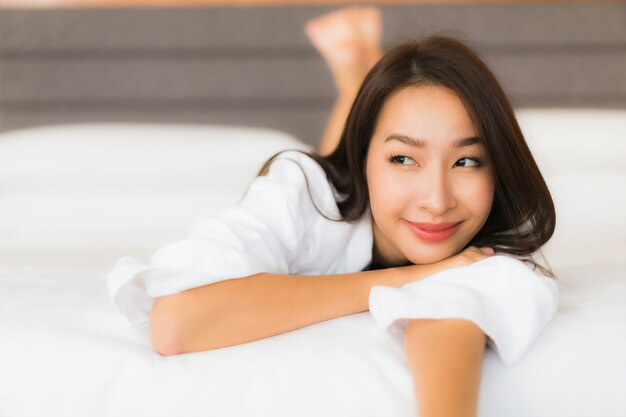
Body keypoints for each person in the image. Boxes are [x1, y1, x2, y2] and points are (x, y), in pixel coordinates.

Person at [106, 7, 559, 417]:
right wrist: (405, 278)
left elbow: (450, 316)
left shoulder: (492, 245)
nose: (437, 201)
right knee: (325, 176)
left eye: (466, 161)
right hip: (331, 185)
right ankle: (353, 82)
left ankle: (356, 83)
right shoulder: (300, 190)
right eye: (403, 159)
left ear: (497, 166)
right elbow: (175, 323)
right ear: (365, 158)